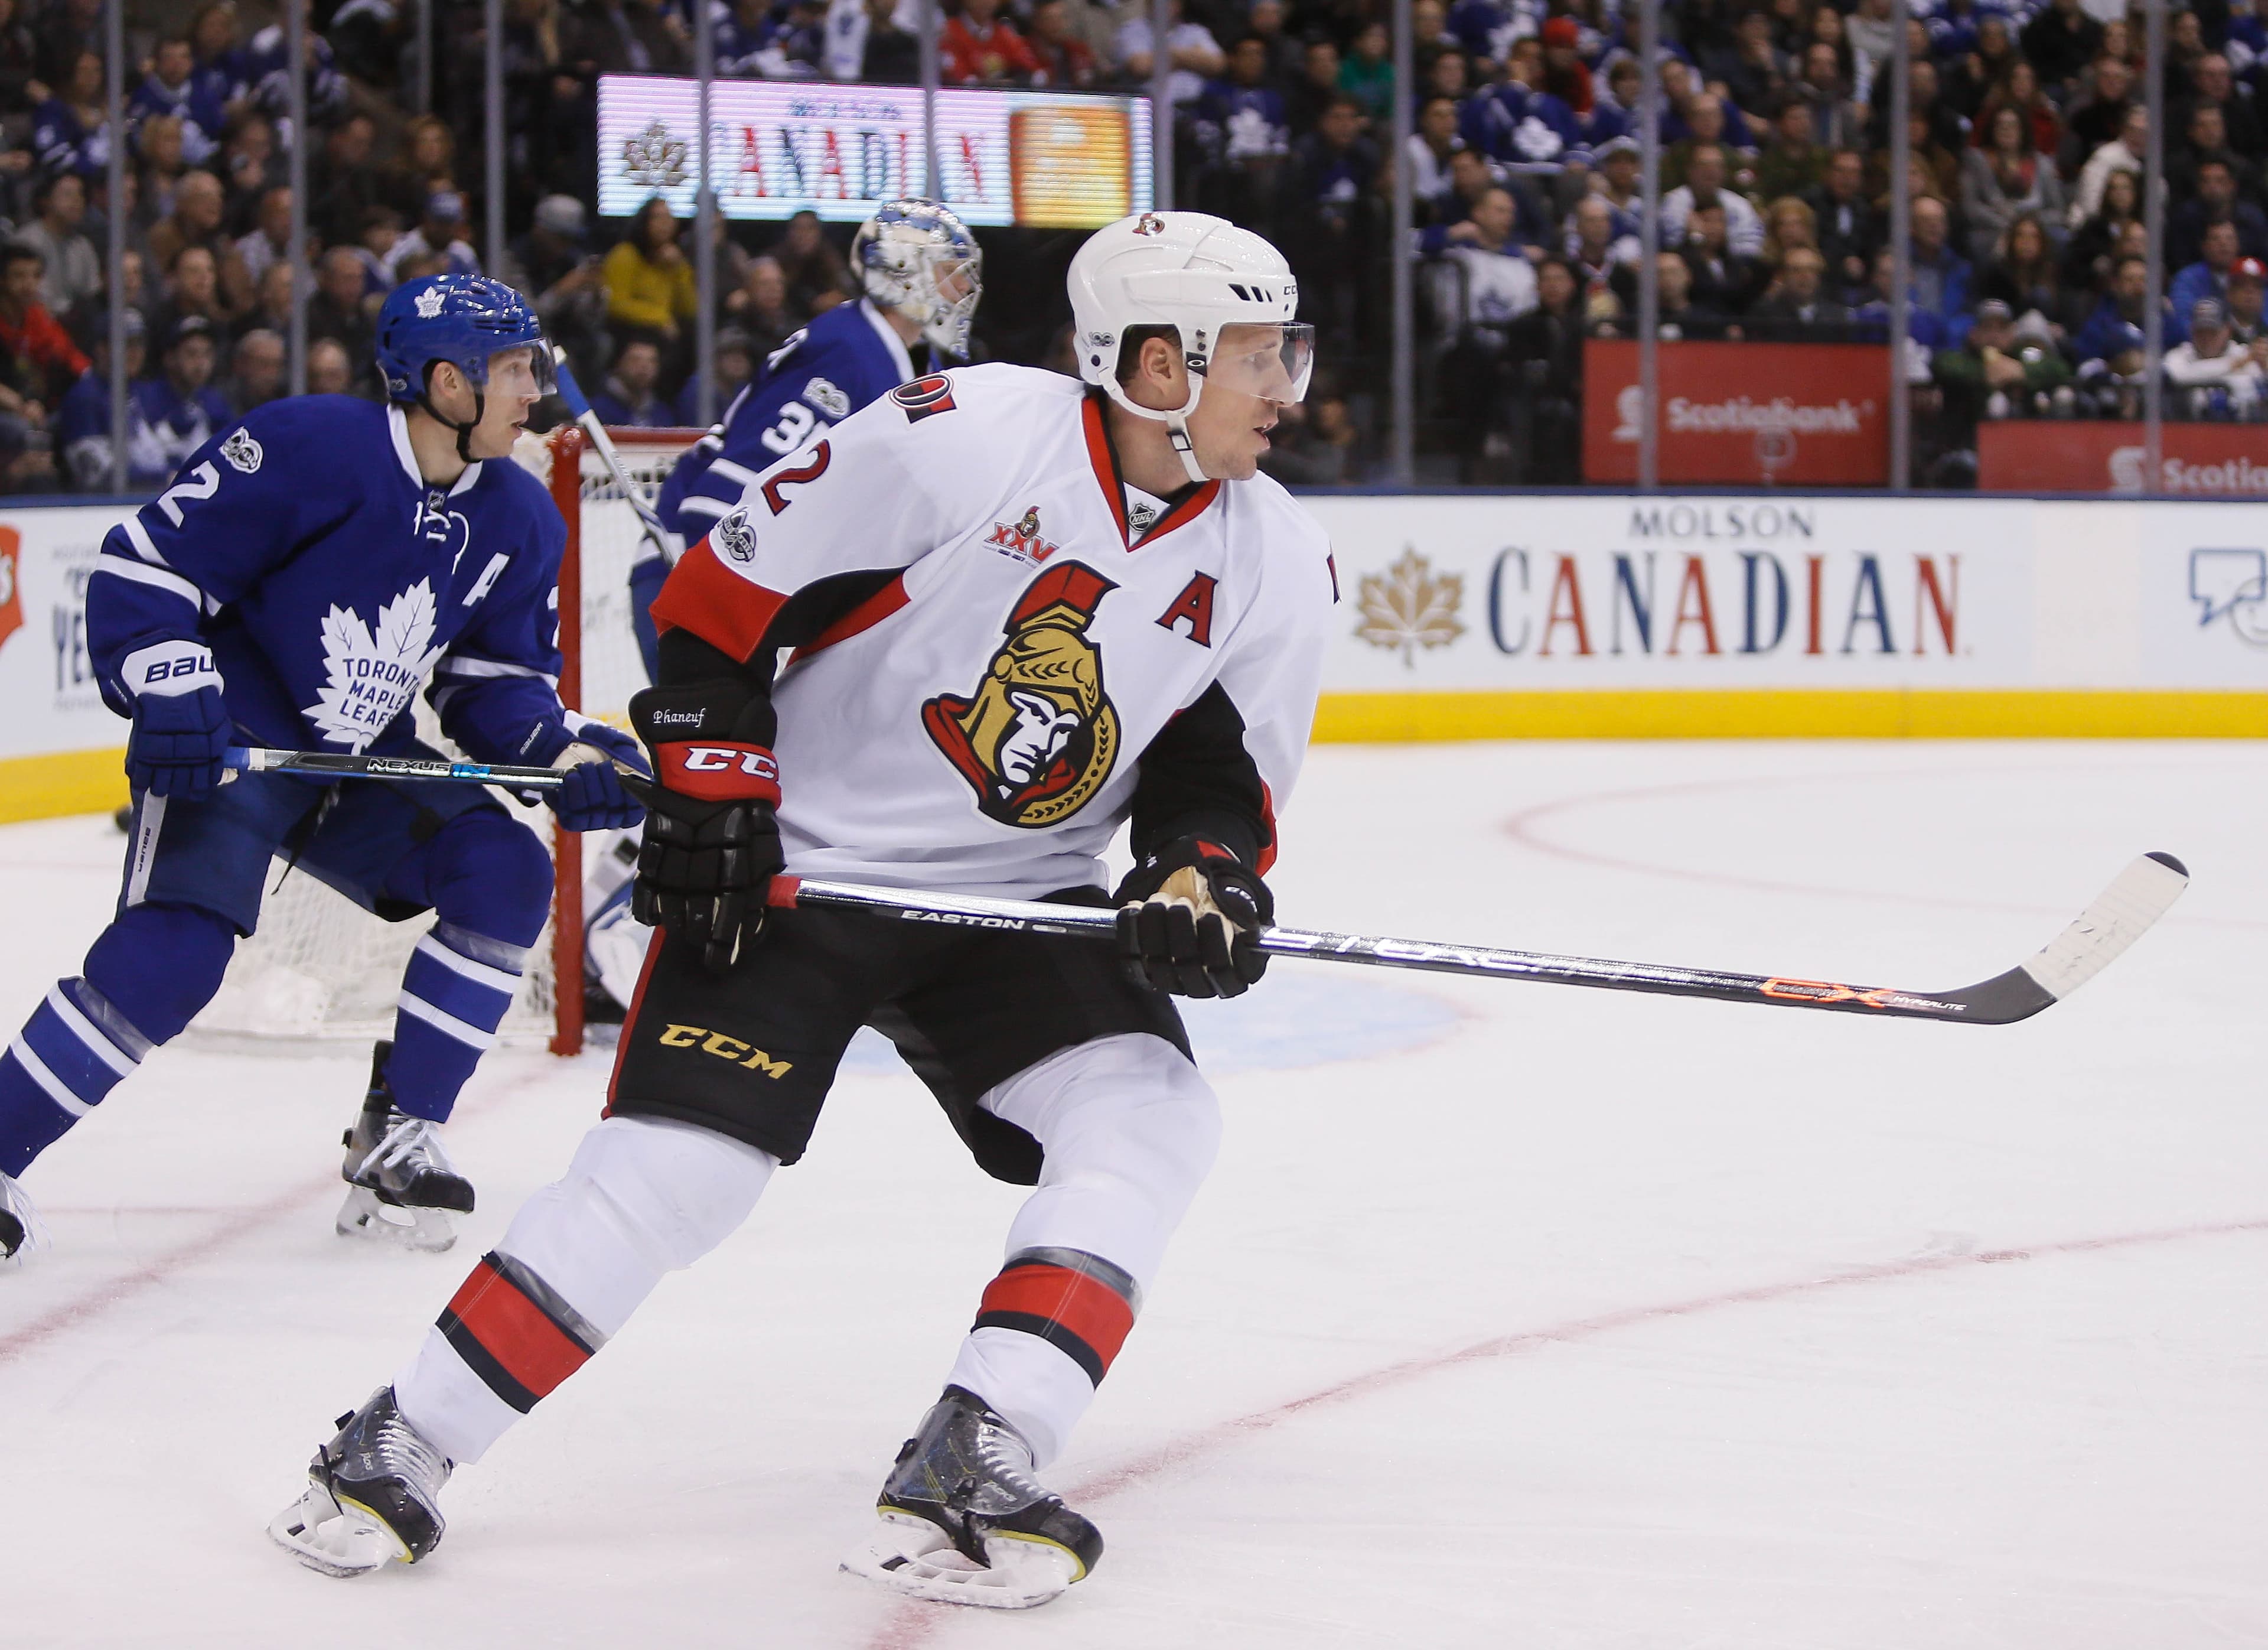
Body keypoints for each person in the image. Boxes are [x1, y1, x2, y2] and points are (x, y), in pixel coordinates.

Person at [269, 210, 1332, 1615]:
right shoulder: (957, 434)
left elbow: (1217, 776)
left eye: (1285, 353)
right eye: (1259, 355)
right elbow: (719, 603)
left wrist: (1201, 878)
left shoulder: (1275, 555)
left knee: (1151, 1111)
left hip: (1012, 901)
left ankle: (979, 1447)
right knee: (681, 1173)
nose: (1289, 387)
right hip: (802, 866)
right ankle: (395, 1442)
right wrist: (716, 781)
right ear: (1151, 364)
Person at [0, 274, 649, 1265]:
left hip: (366, 753)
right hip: (240, 733)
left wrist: (561, 754)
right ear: (447, 382)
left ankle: (402, 1130)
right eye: (514, 370)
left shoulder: (521, 516)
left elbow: (495, 690)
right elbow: (144, 569)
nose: (535, 392)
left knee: (503, 870)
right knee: (173, 959)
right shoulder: (309, 445)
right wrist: (171, 681)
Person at [597, 201, 984, 1010]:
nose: (961, 288)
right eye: (948, 270)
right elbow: (746, 483)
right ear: (903, 272)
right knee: (734, 772)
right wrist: (720, 595)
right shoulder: (850, 353)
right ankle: (605, 936)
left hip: (712, 593)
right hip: (699, 595)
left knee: (759, 773)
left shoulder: (879, 356)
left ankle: (618, 922)